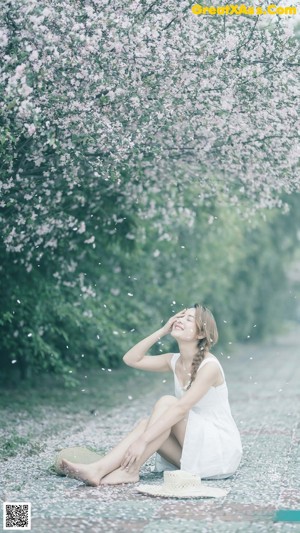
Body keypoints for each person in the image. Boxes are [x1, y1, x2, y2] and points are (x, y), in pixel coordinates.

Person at [59, 304, 243, 486]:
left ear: (201, 333)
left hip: (218, 453)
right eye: (181, 316)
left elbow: (181, 409)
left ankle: (129, 471)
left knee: (168, 403)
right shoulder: (174, 360)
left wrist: (142, 441)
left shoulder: (209, 366)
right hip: (193, 452)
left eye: (189, 319)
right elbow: (131, 359)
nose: (180, 320)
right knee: (146, 425)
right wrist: (162, 331)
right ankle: (97, 469)